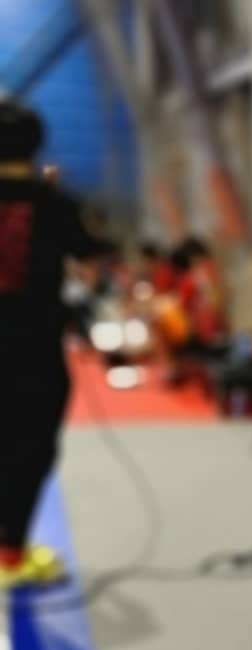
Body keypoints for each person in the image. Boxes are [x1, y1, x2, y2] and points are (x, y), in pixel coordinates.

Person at [0, 100, 114, 587]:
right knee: (31, 446)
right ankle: (11, 554)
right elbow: (90, 270)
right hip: (35, 350)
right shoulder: (56, 204)